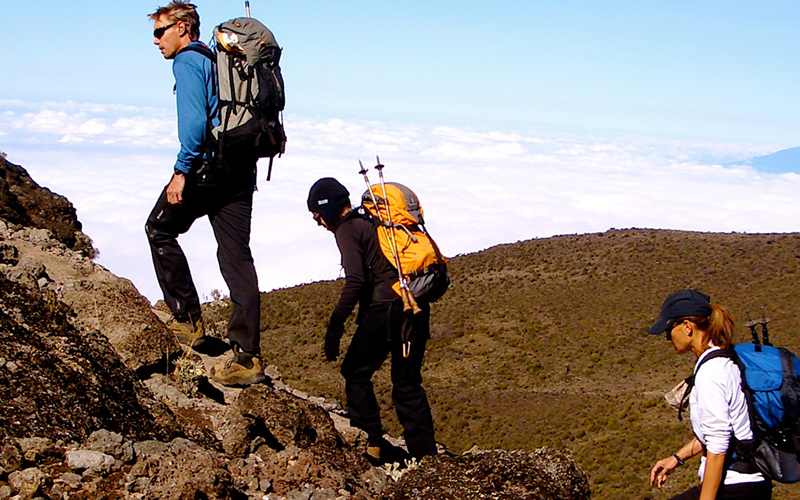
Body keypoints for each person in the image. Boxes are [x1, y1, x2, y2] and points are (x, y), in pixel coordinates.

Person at [146, 1, 265, 386]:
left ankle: (188, 320)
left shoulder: (187, 62)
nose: (155, 41)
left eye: (159, 31)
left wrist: (181, 172)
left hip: (207, 169)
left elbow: (195, 124)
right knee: (236, 259)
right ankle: (247, 358)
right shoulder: (218, 61)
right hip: (240, 168)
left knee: (159, 229)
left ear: (183, 27)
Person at [307, 177, 437, 463]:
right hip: (414, 305)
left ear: (327, 210)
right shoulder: (375, 224)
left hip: (385, 311)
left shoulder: (348, 229)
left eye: (316, 215)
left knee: (354, 371)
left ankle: (370, 442)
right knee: (407, 385)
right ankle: (427, 459)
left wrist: (335, 326)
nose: (317, 222)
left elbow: (355, 282)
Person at [648, 290, 772, 500]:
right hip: (752, 483)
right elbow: (718, 430)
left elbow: (717, 447)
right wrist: (676, 458)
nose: (668, 337)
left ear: (687, 326)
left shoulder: (711, 372)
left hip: (735, 486)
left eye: (669, 330)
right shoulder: (725, 359)